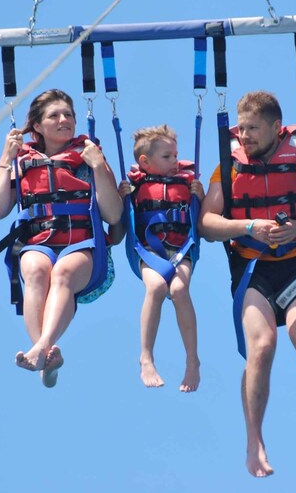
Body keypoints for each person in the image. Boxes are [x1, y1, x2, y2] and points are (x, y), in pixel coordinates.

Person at [198, 91, 296, 476]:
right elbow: (208, 224)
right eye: (241, 127)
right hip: (253, 269)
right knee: (261, 346)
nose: (244, 136)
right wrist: (249, 226)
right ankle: (254, 442)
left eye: (252, 128)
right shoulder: (228, 168)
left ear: (276, 128)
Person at [0, 89, 124, 388]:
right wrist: (5, 159)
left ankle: (42, 347)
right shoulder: (22, 160)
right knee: (35, 270)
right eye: (55, 115)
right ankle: (45, 355)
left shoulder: (89, 154)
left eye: (68, 115)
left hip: (85, 247)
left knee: (62, 273)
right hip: (39, 242)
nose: (64, 120)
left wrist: (98, 166)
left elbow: (113, 215)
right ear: (37, 126)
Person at [119, 125, 205, 392]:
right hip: (148, 251)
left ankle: (192, 360)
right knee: (156, 287)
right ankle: (146, 357)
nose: (175, 162)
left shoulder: (187, 183)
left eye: (175, 155)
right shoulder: (134, 186)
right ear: (144, 162)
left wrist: (199, 198)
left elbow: (199, 222)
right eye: (167, 157)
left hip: (182, 248)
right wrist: (122, 197)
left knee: (179, 289)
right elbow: (121, 222)